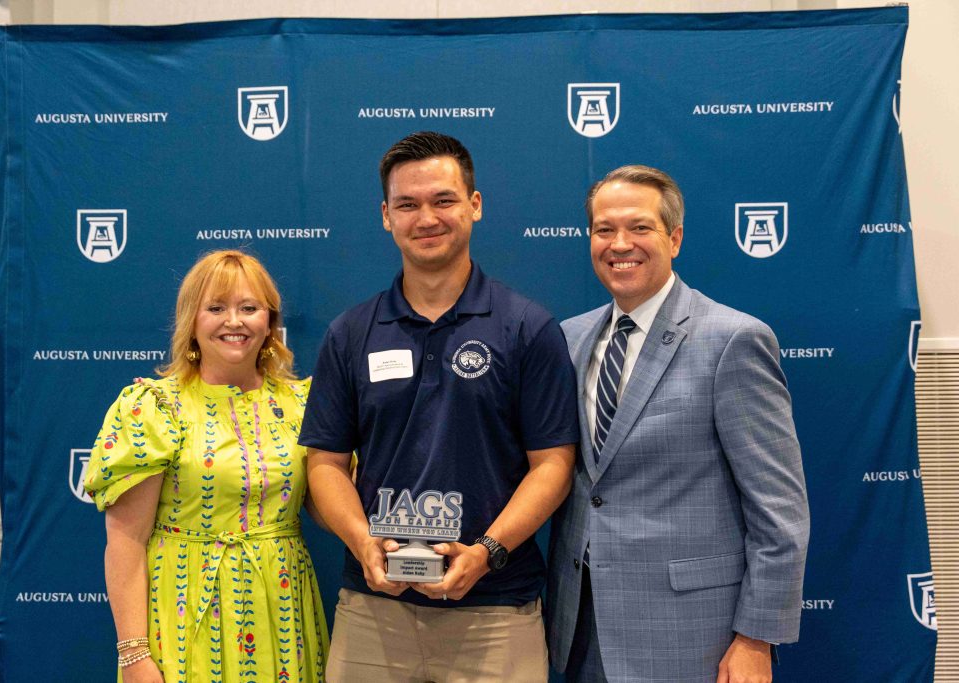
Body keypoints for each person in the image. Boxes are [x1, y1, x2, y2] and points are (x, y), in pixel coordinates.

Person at [300, 131, 579, 682]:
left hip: (497, 611)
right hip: (373, 611)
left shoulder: (527, 327)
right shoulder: (350, 333)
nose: (425, 217)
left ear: (474, 205)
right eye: (407, 204)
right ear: (386, 215)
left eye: (443, 200)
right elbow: (325, 465)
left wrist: (487, 551)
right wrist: (363, 544)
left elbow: (554, 465)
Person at [546, 165, 810, 683]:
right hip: (580, 630)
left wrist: (757, 638)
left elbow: (780, 512)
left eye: (639, 227)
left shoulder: (732, 340)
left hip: (693, 636)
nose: (620, 243)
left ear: (675, 237)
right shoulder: (569, 339)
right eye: (604, 230)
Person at [84, 250, 328, 682]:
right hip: (180, 614)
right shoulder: (154, 406)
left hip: (283, 609)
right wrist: (134, 655)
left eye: (249, 308)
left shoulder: (304, 405)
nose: (234, 321)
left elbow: (329, 504)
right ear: (191, 322)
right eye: (216, 308)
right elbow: (126, 540)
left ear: (269, 323)